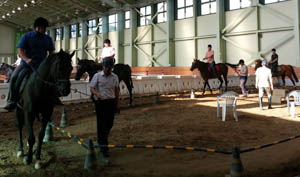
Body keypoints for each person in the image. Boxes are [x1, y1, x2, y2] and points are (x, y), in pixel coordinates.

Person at [4, 17, 55, 111]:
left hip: (42, 65)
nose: (44, 30)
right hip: (27, 64)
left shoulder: (47, 38)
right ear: (36, 27)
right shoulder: (27, 36)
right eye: (42, 28)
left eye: (44, 28)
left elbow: (51, 51)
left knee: (54, 77)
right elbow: (20, 49)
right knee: (14, 77)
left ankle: (55, 97)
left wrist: (51, 61)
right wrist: (26, 59)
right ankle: (11, 100)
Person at [90, 57, 120, 158]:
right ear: (103, 67)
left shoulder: (115, 77)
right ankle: (104, 147)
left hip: (111, 102)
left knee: (110, 123)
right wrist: (97, 94)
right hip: (101, 103)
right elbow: (92, 88)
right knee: (101, 124)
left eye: (110, 68)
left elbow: (117, 90)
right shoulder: (97, 76)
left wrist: (117, 102)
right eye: (107, 67)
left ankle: (102, 139)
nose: (108, 70)